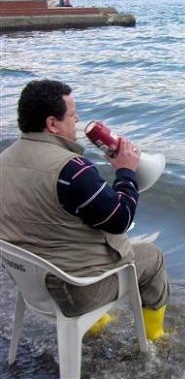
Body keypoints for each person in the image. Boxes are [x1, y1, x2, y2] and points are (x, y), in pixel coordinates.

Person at [0, 80, 169, 340]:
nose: (77, 121)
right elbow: (120, 219)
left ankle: (95, 326)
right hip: (75, 290)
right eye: (72, 115)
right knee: (153, 257)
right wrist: (125, 171)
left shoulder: (4, 160)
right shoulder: (72, 169)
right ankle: (155, 339)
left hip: (32, 283)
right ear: (52, 124)